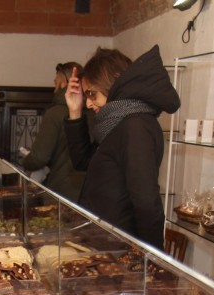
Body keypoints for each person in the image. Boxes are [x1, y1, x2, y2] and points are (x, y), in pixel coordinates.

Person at [63, 45, 180, 250]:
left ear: (114, 81)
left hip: (118, 248)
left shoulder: (135, 126)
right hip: (104, 244)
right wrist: (75, 112)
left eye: (92, 94)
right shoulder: (118, 121)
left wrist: (153, 260)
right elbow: (84, 162)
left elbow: (147, 203)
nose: (89, 103)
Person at [20, 62, 85, 202]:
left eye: (56, 83)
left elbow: (39, 158)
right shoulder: (95, 112)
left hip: (62, 193)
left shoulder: (55, 114)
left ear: (65, 83)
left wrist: (25, 160)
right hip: (89, 194)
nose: (55, 90)